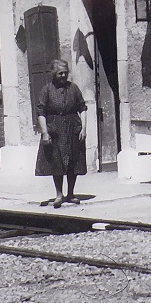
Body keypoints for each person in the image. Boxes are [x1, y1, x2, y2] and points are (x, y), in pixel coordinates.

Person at [35, 58, 87, 208]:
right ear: (54, 74)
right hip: (54, 128)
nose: (64, 76)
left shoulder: (74, 89)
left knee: (73, 161)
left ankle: (70, 194)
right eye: (60, 74)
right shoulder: (46, 90)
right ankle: (59, 194)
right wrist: (45, 132)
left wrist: (84, 128)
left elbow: (82, 108)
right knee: (56, 162)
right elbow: (41, 111)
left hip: (72, 127)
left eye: (65, 73)